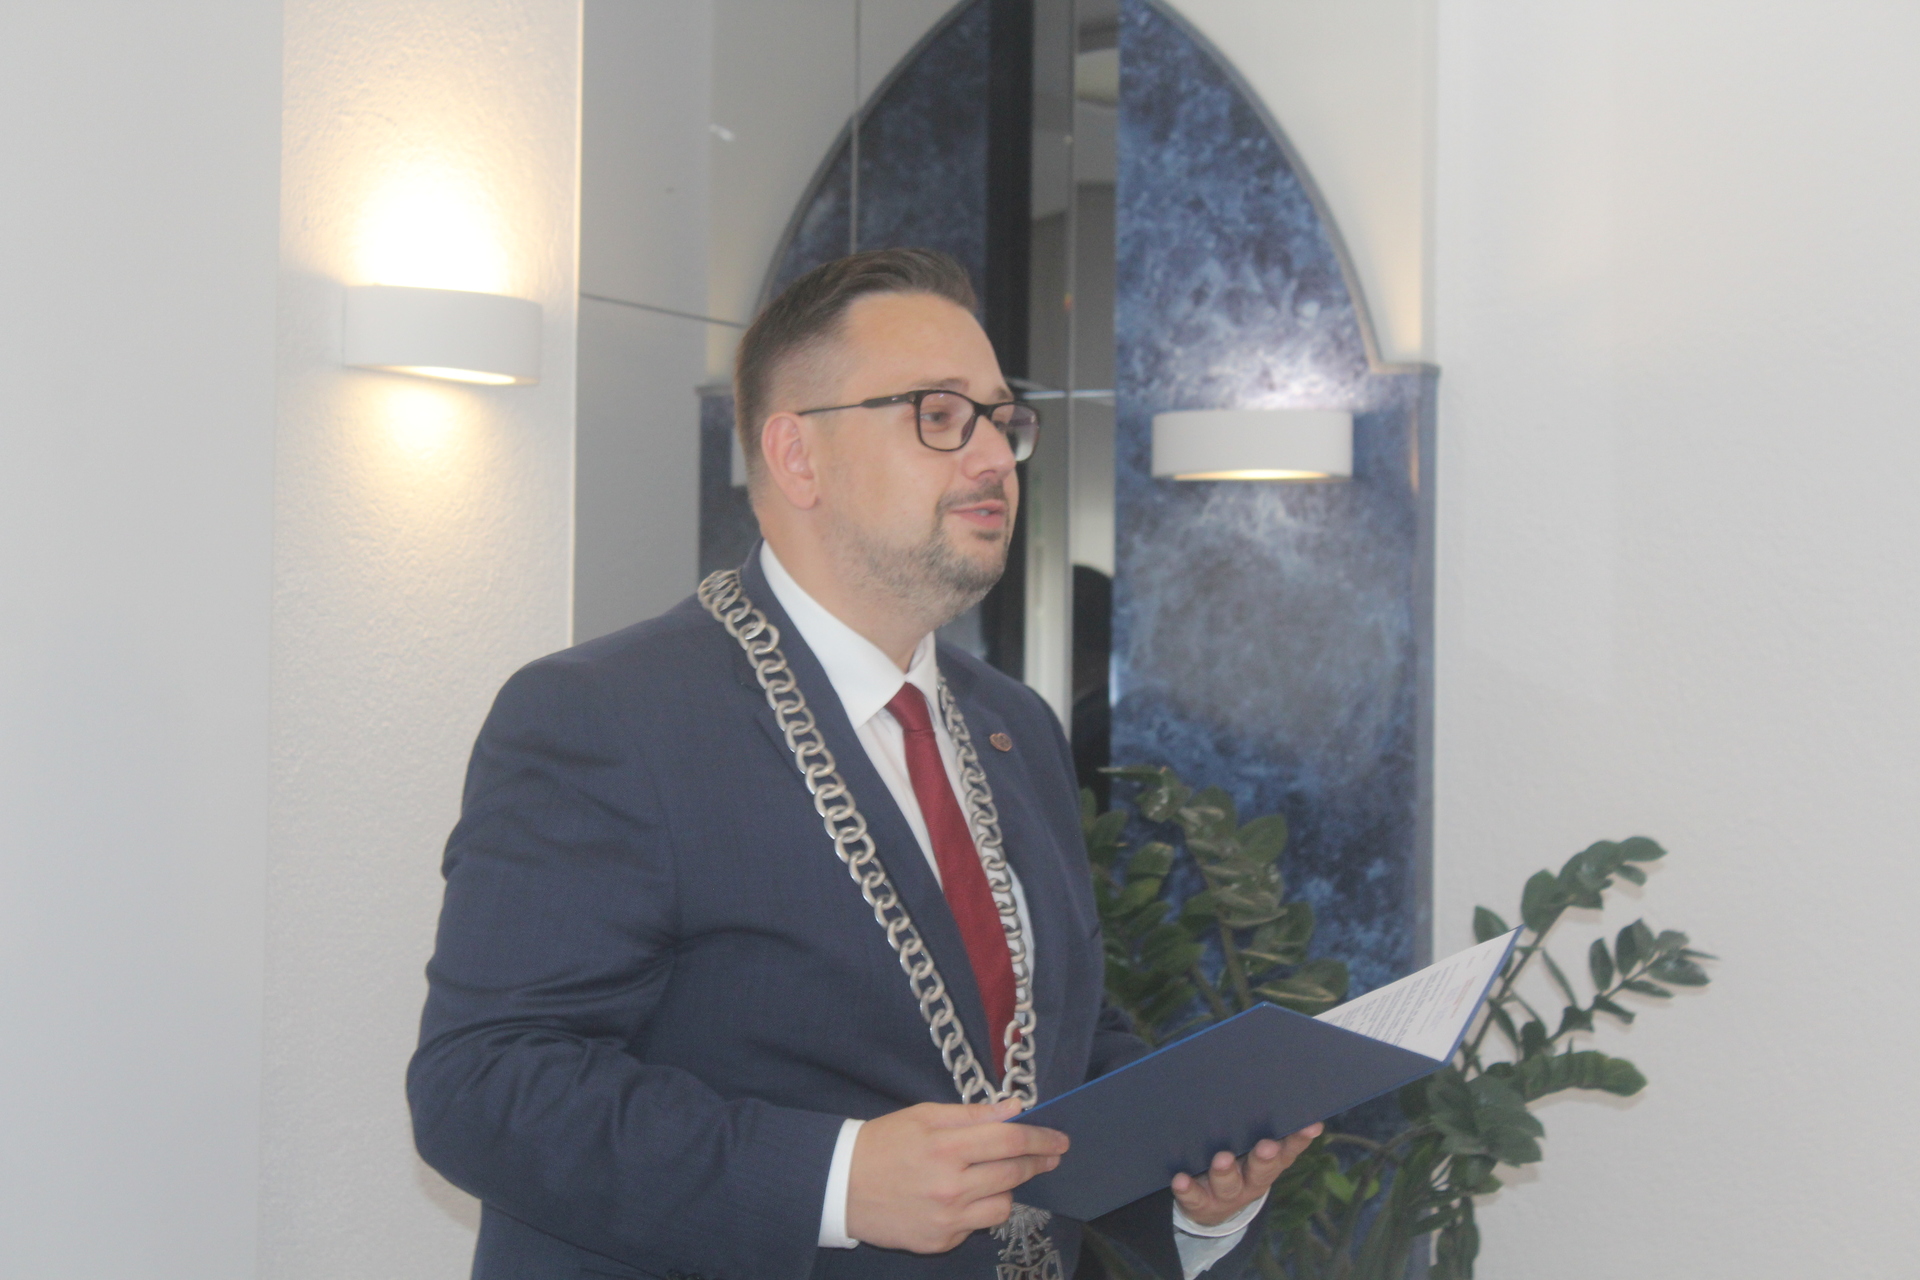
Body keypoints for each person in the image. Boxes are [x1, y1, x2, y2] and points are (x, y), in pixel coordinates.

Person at [408, 248, 1319, 1280]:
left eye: (1002, 419)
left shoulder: (1013, 724)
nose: (993, 457)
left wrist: (1190, 1190)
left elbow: (1049, 1042)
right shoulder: (608, 716)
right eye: (940, 414)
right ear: (796, 455)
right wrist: (834, 1180)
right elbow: (483, 1086)